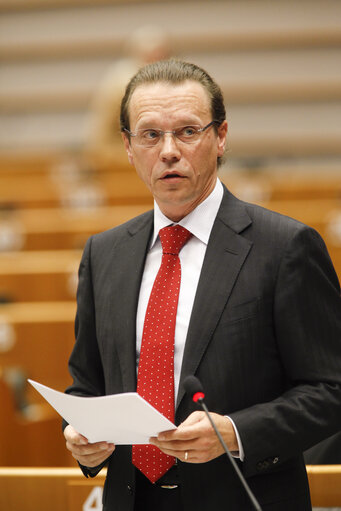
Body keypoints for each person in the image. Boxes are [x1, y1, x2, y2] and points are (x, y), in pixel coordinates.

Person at [63, 59, 341, 511]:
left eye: (188, 132)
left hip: (241, 497)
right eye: (151, 135)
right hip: (131, 498)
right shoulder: (104, 254)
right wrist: (79, 436)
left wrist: (237, 432)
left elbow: (331, 390)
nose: (169, 150)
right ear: (129, 147)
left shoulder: (285, 247)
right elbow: (86, 383)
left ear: (221, 137)